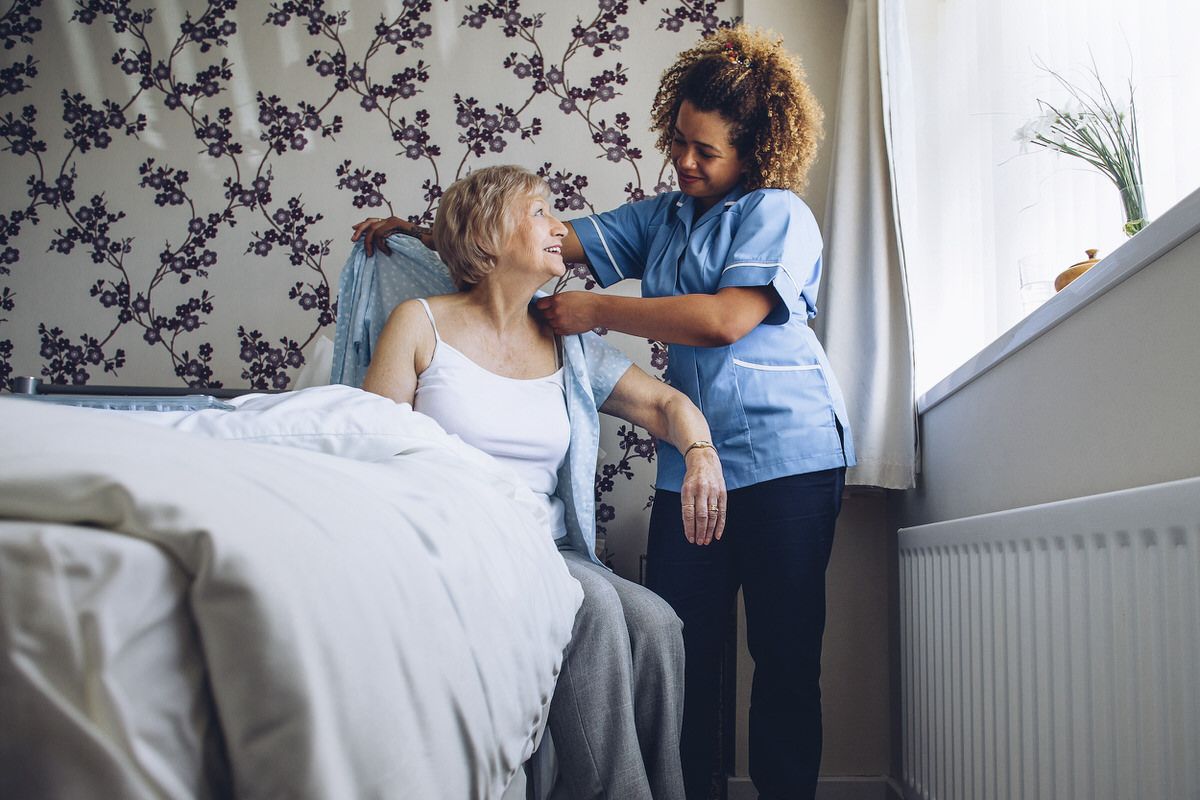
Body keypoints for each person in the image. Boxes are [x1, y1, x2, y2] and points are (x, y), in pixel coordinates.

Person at [354, 25, 854, 800]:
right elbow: (527, 237)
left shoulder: (779, 215)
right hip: (689, 464)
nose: (686, 161)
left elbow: (725, 319)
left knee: (786, 661)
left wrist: (598, 313)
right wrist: (419, 231)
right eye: (680, 142)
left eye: (707, 151)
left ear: (754, 151)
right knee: (680, 645)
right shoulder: (662, 217)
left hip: (789, 458)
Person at [358, 164, 728, 800]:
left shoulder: (568, 347)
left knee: (661, 625)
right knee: (597, 606)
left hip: (548, 550)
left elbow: (666, 405)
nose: (561, 229)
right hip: (461, 545)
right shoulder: (418, 323)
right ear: (488, 232)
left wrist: (700, 452)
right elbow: (372, 450)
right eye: (540, 213)